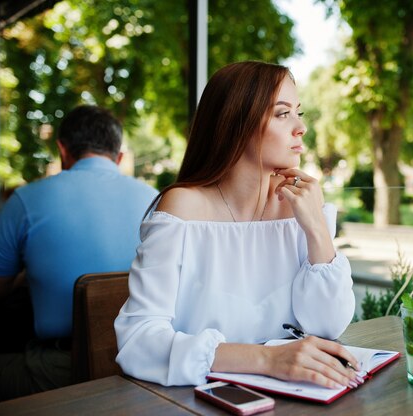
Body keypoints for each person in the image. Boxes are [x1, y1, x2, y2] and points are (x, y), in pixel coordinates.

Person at [114, 61, 361, 390]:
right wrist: (267, 360)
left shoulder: (299, 208)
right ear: (236, 124)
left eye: (298, 113)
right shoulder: (183, 208)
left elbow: (327, 325)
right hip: (195, 401)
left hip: (294, 397)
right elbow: (138, 341)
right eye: (282, 113)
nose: (301, 127)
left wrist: (316, 228)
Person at [0, 105, 158, 400]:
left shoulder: (25, 199)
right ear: (119, 157)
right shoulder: (156, 201)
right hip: (144, 363)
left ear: (62, 149)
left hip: (60, 369)